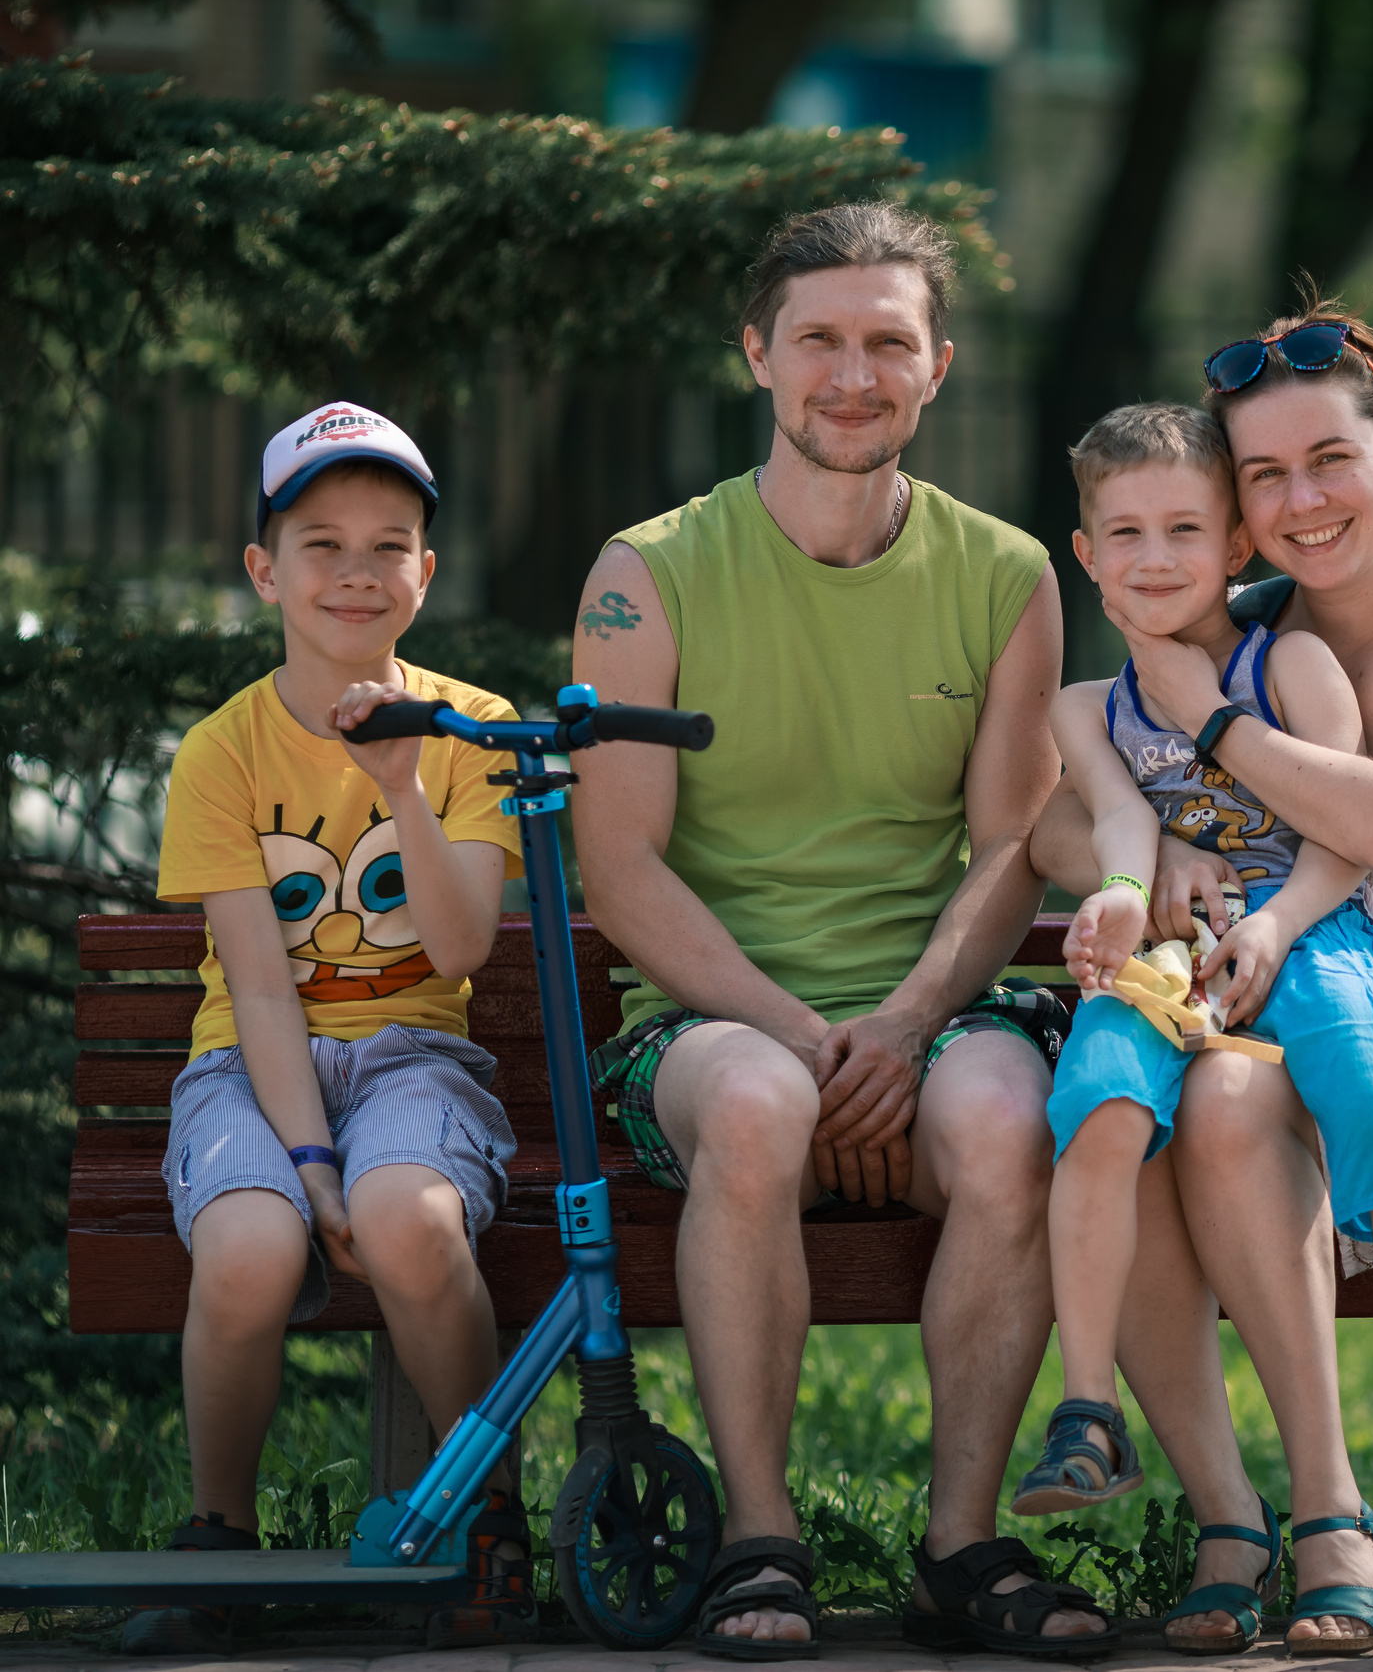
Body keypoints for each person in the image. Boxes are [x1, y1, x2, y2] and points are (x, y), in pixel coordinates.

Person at [569, 201, 1121, 1659]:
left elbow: (1015, 841)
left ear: (938, 366)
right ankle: (760, 1537)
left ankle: (960, 1543)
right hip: (713, 1029)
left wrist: (910, 1019)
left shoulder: (1006, 575)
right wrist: (811, 1040)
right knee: (755, 1106)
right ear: (759, 353)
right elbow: (618, 868)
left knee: (1014, 1118)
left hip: (925, 1017)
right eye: (819, 337)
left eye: (889, 341)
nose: (852, 373)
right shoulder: (647, 569)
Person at [1032, 301, 1373, 1657]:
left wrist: (1209, 712)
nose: (1300, 499)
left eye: (1328, 458)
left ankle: (1341, 1503)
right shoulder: (1225, 608)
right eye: (1262, 474)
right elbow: (1054, 800)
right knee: (1139, 1113)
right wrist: (1145, 846)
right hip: (1248, 970)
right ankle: (1230, 1509)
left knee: (1216, 1107)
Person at [129, 404, 533, 1655]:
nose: (356, 573)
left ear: (426, 568)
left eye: (388, 544)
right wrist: (307, 1167)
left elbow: (460, 948)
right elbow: (257, 990)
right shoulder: (223, 752)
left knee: (413, 1223)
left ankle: (484, 1528)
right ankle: (218, 1542)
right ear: (265, 570)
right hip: (255, 1069)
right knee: (249, 1248)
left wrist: (403, 783)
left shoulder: (475, 728)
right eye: (321, 543)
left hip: (419, 1057)